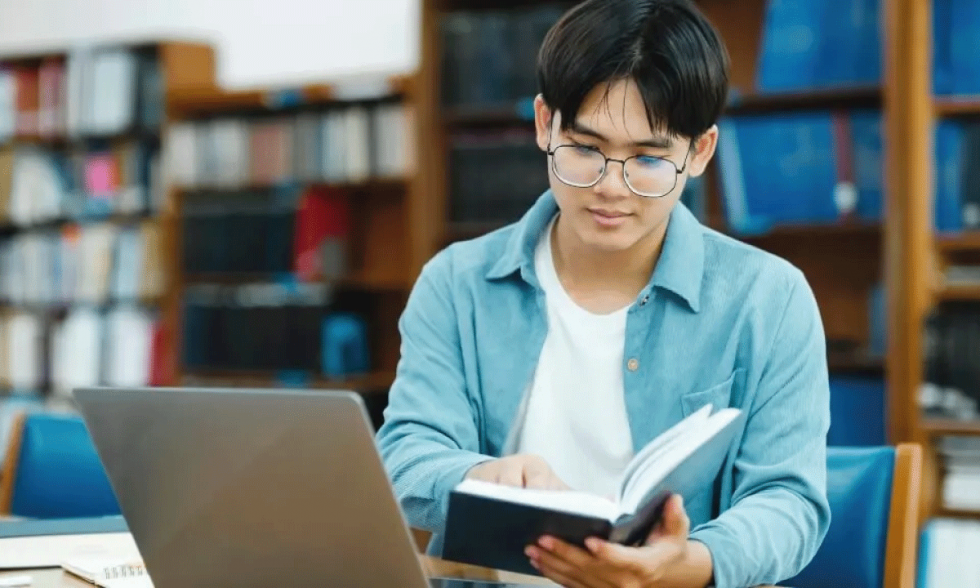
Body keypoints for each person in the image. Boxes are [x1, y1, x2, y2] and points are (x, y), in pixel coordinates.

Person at [375, 0, 831, 586]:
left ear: (699, 152)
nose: (610, 187)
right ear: (545, 124)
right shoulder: (456, 283)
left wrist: (681, 567)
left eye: (647, 158)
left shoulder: (770, 298)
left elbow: (788, 503)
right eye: (585, 150)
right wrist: (480, 478)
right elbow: (408, 453)